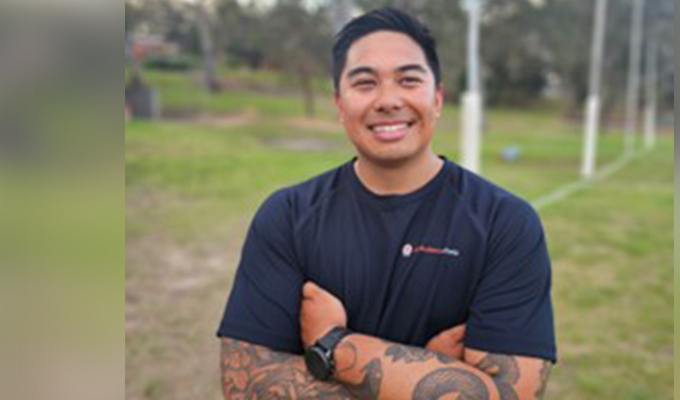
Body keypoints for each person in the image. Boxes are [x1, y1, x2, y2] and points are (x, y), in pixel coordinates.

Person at [217, 7, 556, 400]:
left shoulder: (505, 223)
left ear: (438, 98)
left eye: (409, 80)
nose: (388, 100)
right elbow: (246, 388)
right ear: (340, 105)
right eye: (365, 83)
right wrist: (424, 377)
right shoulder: (288, 216)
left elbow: (512, 397)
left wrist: (334, 346)